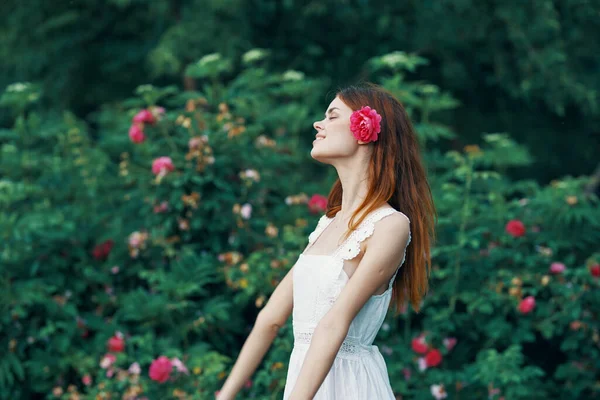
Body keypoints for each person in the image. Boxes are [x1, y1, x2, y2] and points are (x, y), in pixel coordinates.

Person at [216, 82, 436, 400]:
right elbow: (269, 319)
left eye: (332, 115)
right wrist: (225, 395)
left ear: (366, 130)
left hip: (349, 386)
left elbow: (334, 324)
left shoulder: (390, 225)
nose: (318, 124)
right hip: (307, 383)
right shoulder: (327, 225)